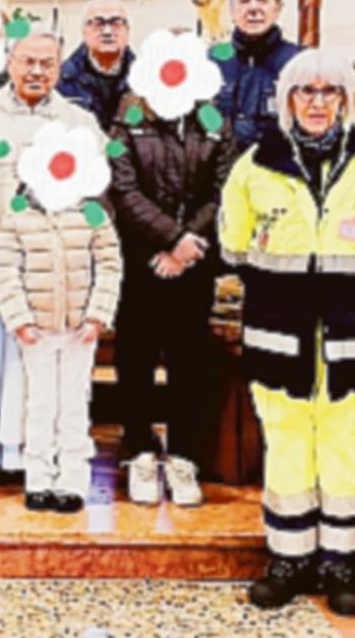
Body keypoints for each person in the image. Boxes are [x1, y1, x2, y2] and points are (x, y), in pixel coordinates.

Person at [218, 48, 355, 618]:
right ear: (287, 100)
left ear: (346, 100)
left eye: (330, 91)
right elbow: (234, 246)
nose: (318, 102)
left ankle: (340, 563)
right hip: (279, 335)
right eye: (306, 91)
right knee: (286, 448)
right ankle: (288, 559)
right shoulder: (255, 166)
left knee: (346, 450)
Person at [0, 30, 103, 476]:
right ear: (10, 63)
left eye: (47, 63)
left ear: (59, 68)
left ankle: (34, 454)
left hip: (51, 269)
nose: (37, 71)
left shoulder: (79, 123)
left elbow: (95, 195)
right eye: (28, 62)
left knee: (40, 365)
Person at [106, 75, 236, 507]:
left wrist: (186, 244)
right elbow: (123, 190)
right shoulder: (128, 120)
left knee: (190, 361)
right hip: (139, 260)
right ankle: (139, 452)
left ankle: (184, 456)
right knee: (135, 358)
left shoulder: (214, 120)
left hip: (194, 261)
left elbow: (224, 190)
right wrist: (168, 238)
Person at [0, 189, 122, 515]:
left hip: (80, 330)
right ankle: (38, 478)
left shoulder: (92, 211)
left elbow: (109, 264)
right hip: (36, 330)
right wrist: (19, 320)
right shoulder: (18, 212)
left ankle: (72, 480)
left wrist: (97, 316)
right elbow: (5, 270)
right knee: (40, 404)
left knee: (74, 404)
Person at [212, 0, 302, 145]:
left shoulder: (299, 62)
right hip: (223, 160)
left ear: (278, 9)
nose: (253, 8)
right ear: (232, 11)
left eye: (262, 0)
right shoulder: (213, 60)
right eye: (244, 1)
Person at [56, 0, 135, 129]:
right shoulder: (61, 81)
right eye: (98, 23)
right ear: (84, 31)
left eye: (116, 23)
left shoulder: (146, 82)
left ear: (127, 31)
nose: (107, 32)